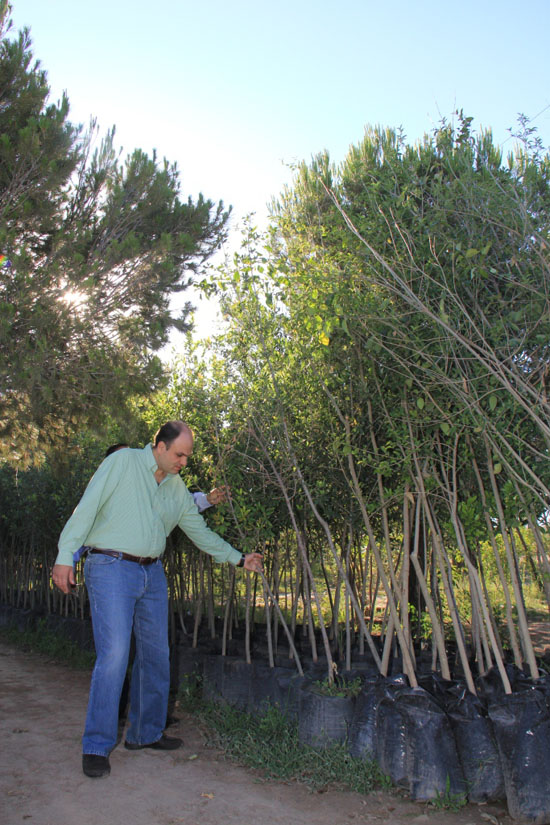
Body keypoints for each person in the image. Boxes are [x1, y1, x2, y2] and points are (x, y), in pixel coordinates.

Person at [52, 421, 263, 779]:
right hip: (111, 567)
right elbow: (86, 508)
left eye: (187, 456)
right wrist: (64, 555)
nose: (184, 461)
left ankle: (144, 734)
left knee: (157, 653)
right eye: (179, 454)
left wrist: (239, 559)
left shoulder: (177, 490)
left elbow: (200, 533)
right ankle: (96, 745)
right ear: (161, 447)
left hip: (152, 574)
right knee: (116, 654)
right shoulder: (122, 463)